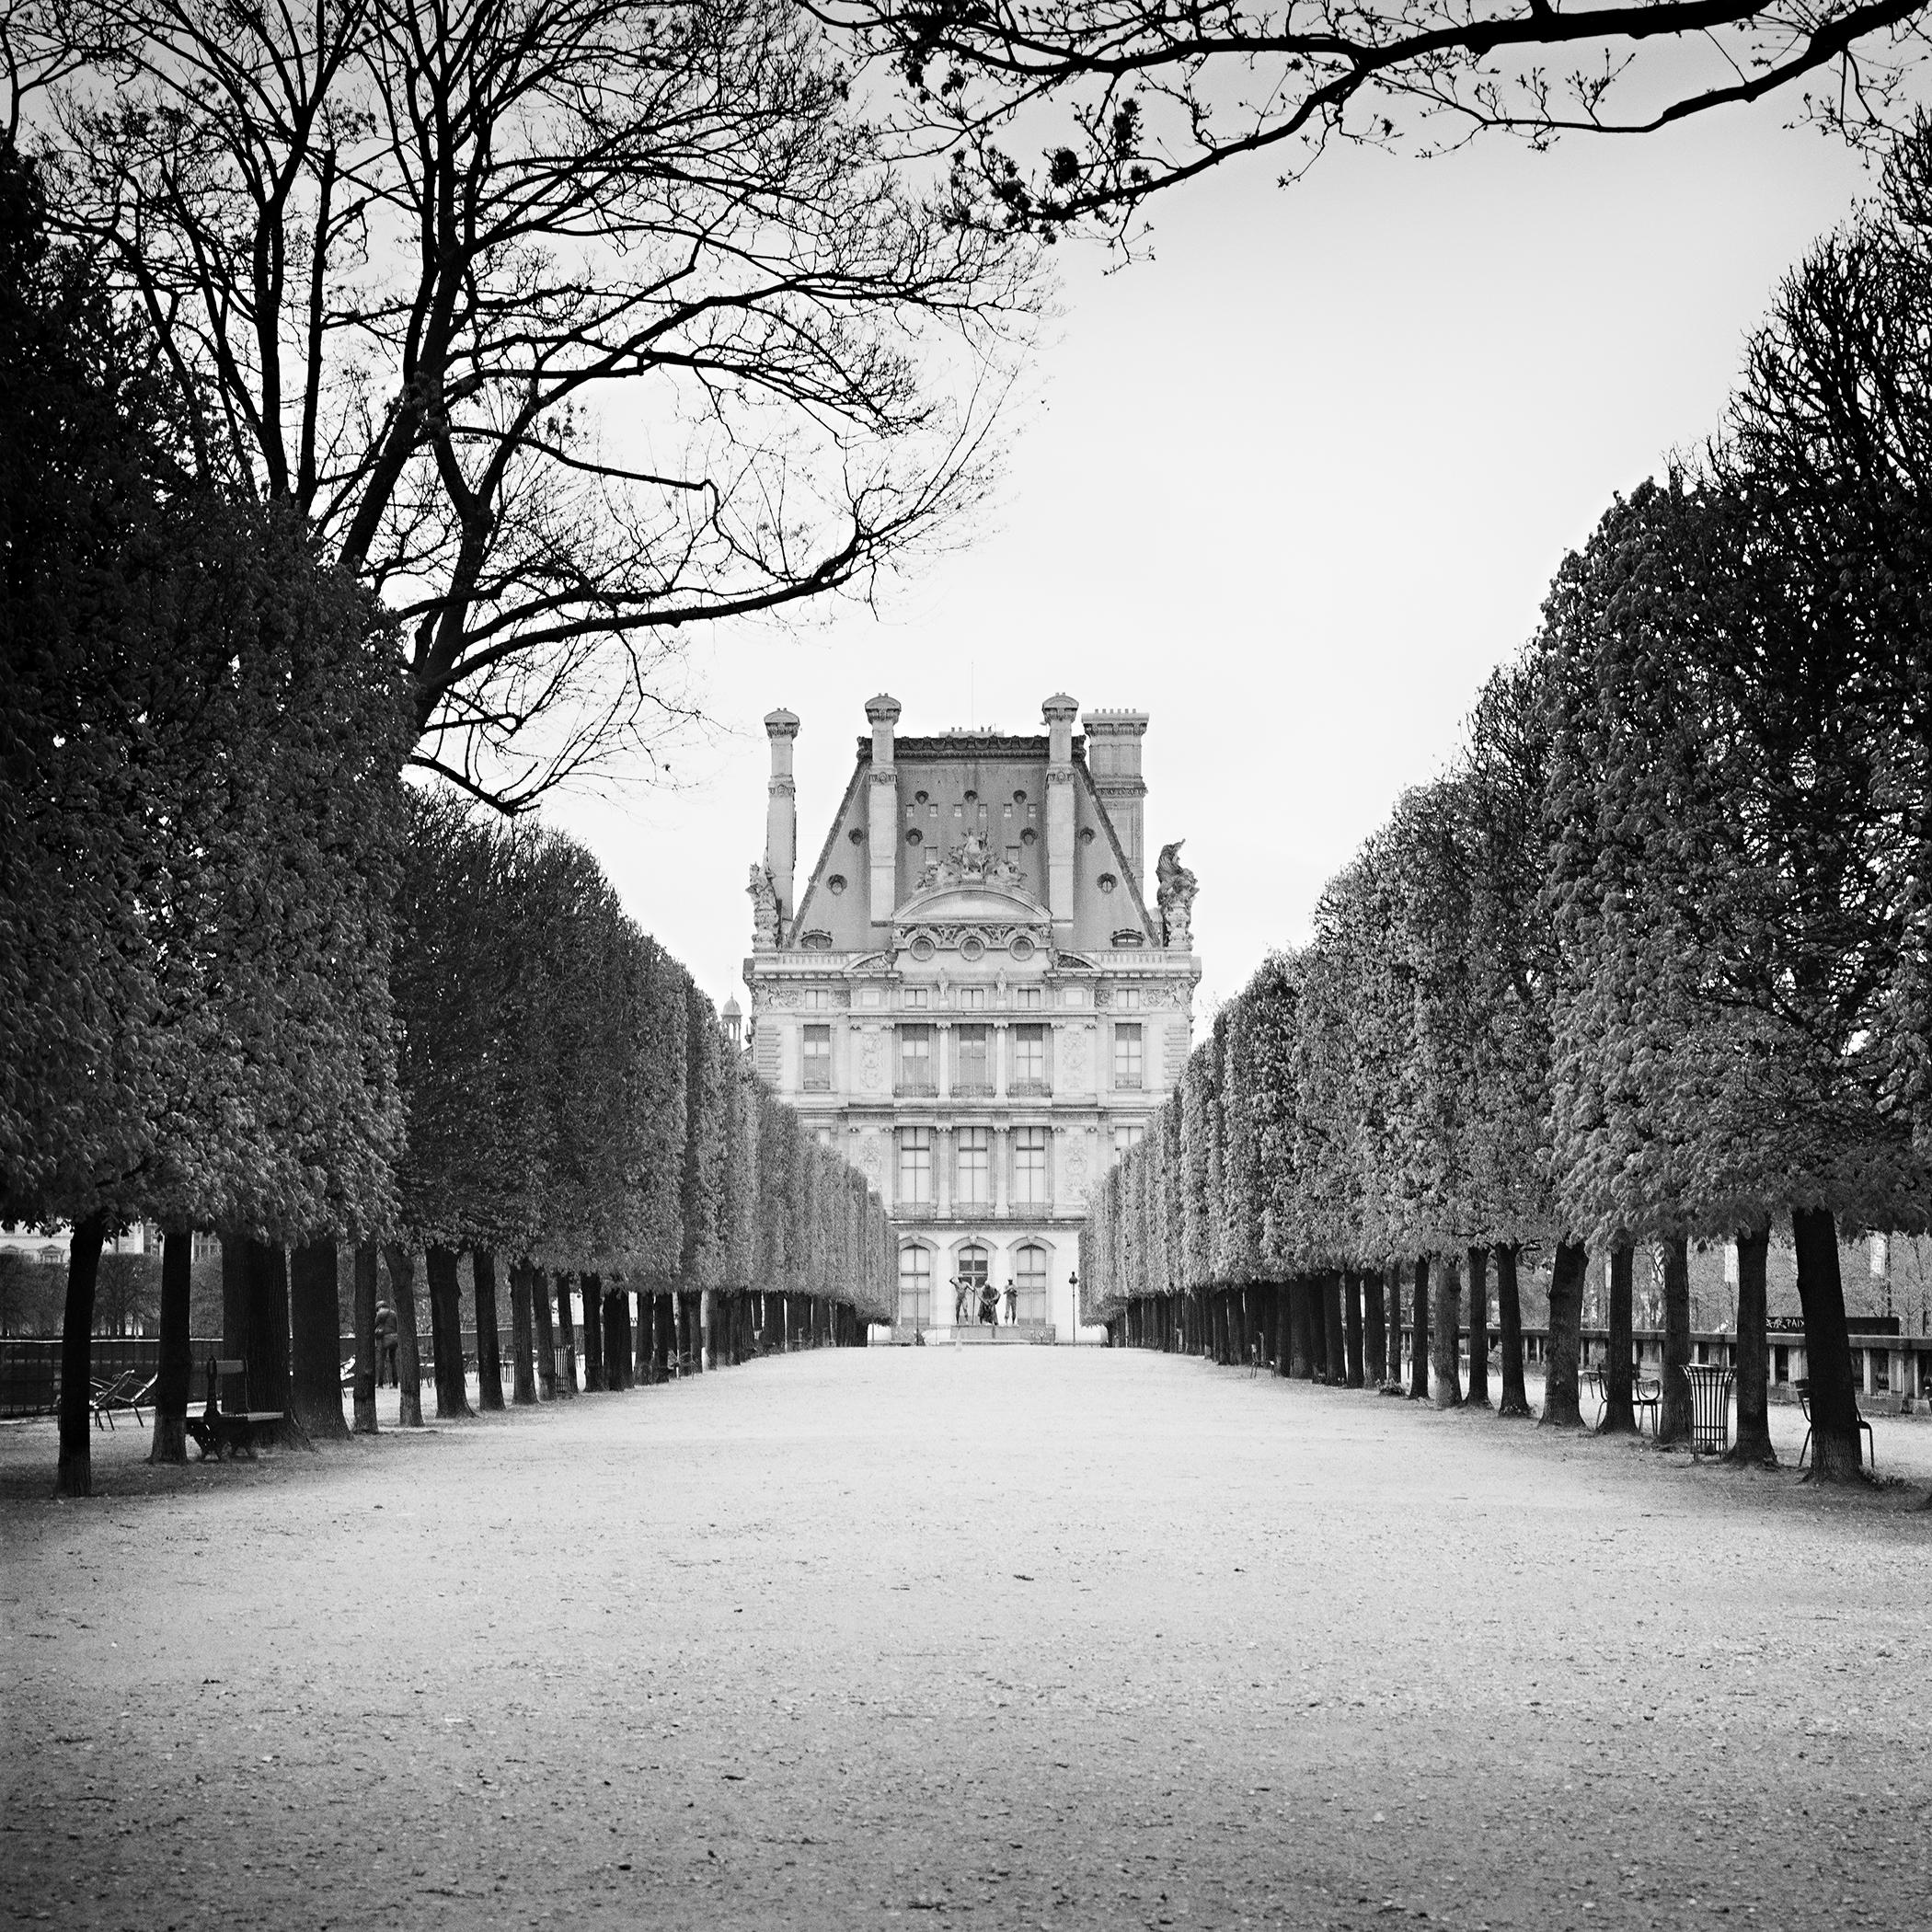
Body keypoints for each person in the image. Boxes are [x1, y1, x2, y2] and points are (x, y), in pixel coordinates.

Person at [375, 1302, 399, 1387]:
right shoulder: (393, 1313)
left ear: (380, 1307)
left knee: (382, 1360)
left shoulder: (380, 1314)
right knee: (393, 1361)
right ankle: (395, 1383)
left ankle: (380, 1383)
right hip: (394, 1338)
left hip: (385, 1339)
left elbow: (375, 1325)